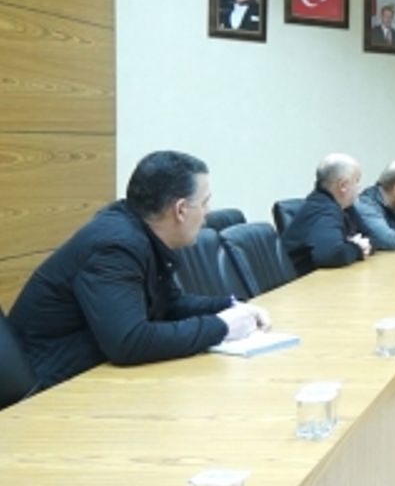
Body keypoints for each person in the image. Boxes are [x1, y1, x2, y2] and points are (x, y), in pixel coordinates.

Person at [8, 151, 271, 393]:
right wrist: (221, 327)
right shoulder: (115, 246)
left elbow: (167, 304)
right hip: (48, 389)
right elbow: (128, 341)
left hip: (92, 375)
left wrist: (230, 307)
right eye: (204, 203)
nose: (207, 214)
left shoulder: (141, 233)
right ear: (180, 210)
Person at [281, 153, 372, 275]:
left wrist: (355, 246)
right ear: (343, 186)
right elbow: (330, 254)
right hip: (302, 282)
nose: (359, 187)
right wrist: (357, 248)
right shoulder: (322, 209)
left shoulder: (344, 206)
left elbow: (370, 237)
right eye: (357, 181)